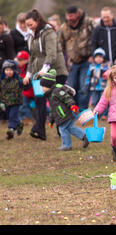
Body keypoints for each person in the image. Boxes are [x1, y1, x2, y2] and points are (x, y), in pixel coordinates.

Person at [23, 9, 68, 141]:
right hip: (39, 74)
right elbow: (32, 56)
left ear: (37, 21)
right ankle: (40, 129)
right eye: (27, 25)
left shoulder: (49, 32)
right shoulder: (31, 35)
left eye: (31, 24)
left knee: (57, 101)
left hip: (56, 71)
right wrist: (28, 74)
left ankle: (63, 130)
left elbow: (51, 54)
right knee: (39, 100)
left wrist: (46, 68)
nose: (29, 27)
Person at [40, 69, 89, 151]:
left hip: (65, 114)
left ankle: (67, 145)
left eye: (43, 86)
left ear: (48, 85)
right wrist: (51, 120)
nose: (42, 88)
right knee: (70, 128)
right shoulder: (50, 95)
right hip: (62, 115)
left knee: (62, 129)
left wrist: (72, 106)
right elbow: (52, 109)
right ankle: (84, 136)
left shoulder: (56, 91)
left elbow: (67, 98)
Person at [59, 5, 96, 111]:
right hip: (72, 62)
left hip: (87, 60)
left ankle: (83, 111)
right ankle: (73, 110)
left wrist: (93, 55)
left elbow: (96, 38)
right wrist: (64, 61)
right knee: (71, 87)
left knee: (84, 87)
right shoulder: (64, 28)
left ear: (77, 14)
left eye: (71, 15)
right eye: (68, 16)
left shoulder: (88, 23)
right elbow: (60, 46)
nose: (69, 18)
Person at [0, 60, 24, 139]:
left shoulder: (18, 80)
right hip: (6, 102)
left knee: (12, 116)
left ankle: (11, 130)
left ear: (14, 71)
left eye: (10, 70)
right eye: (7, 70)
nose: (8, 72)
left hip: (15, 102)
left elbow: (25, 86)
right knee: (9, 116)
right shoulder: (2, 81)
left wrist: (26, 82)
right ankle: (19, 124)